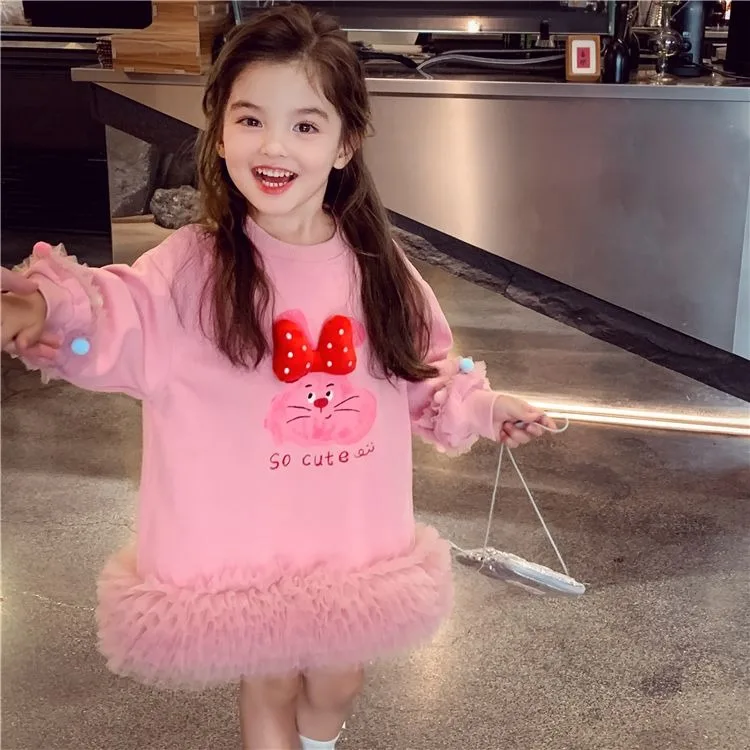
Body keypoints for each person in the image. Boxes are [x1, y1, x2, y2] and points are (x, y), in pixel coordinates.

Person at [1, 6, 556, 749]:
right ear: (220, 132)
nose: (273, 145)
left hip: (350, 537)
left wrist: (487, 409)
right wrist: (45, 307)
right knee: (269, 682)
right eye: (250, 119)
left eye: (305, 125)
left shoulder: (379, 268)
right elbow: (113, 311)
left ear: (345, 143)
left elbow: (423, 372)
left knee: (338, 683)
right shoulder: (189, 267)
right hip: (247, 544)